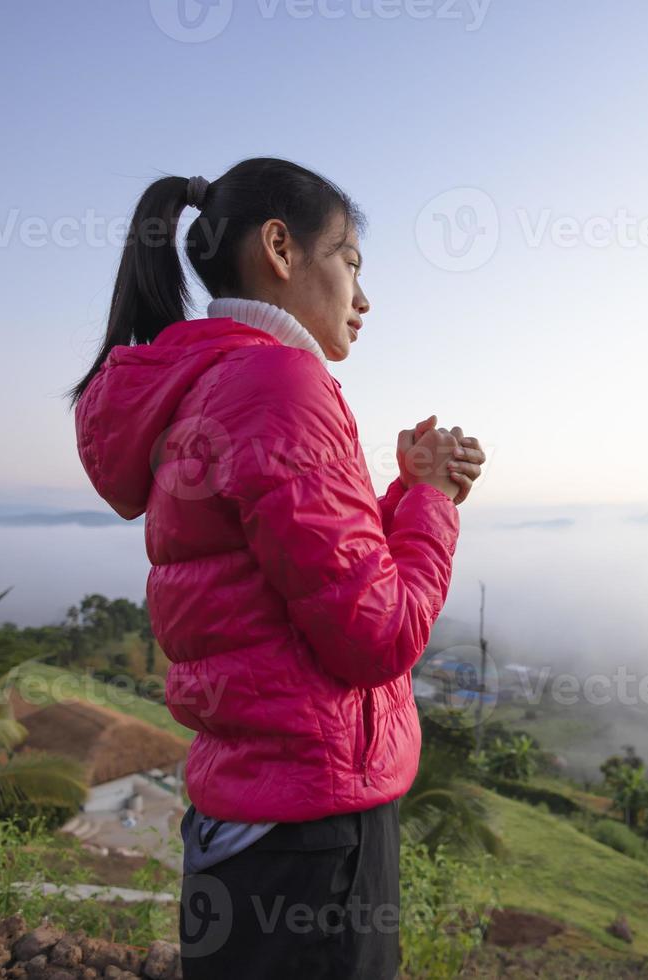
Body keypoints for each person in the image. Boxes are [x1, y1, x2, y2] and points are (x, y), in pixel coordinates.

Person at [69, 157, 486, 978]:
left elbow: (302, 586)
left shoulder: (207, 384)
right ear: (280, 249)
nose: (363, 299)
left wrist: (402, 489)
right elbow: (376, 636)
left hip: (247, 815)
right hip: (315, 827)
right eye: (352, 262)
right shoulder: (279, 384)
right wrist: (434, 498)